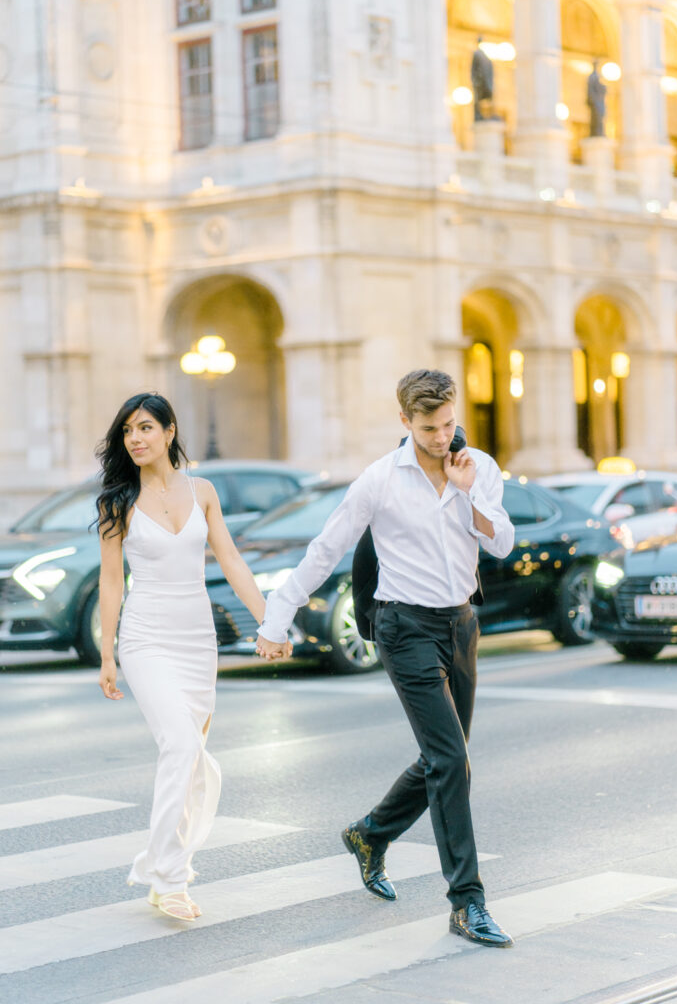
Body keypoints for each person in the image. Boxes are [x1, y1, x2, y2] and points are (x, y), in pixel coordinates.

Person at [256, 370, 515, 947]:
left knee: (445, 757)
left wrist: (469, 492)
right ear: (404, 421)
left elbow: (501, 543)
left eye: (449, 423)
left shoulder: (478, 466)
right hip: (404, 627)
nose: (443, 436)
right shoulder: (378, 481)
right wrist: (276, 619)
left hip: (460, 624)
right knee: (451, 761)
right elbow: (324, 550)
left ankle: (370, 834)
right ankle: (466, 903)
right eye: (429, 427)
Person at [97, 392, 291, 921]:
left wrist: (271, 621)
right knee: (179, 746)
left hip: (195, 640)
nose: (135, 439)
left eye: (144, 428)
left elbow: (230, 559)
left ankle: (166, 868)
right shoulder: (117, 502)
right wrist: (107, 653)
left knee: (191, 762)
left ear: (169, 430)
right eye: (127, 432)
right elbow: (111, 583)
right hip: (144, 638)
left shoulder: (202, 491)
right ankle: (168, 878)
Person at [471, 37, 494, 121]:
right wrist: (474, 80)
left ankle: (488, 114)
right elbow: (473, 69)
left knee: (488, 97)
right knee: (478, 99)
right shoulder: (476, 54)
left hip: (485, 81)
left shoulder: (485, 56)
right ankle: (478, 114)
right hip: (479, 82)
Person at [587, 60, 607, 137]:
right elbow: (590, 90)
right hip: (595, 101)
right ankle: (596, 132)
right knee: (596, 118)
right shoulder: (592, 77)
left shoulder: (598, 76)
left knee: (601, 116)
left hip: (599, 101)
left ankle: (599, 132)